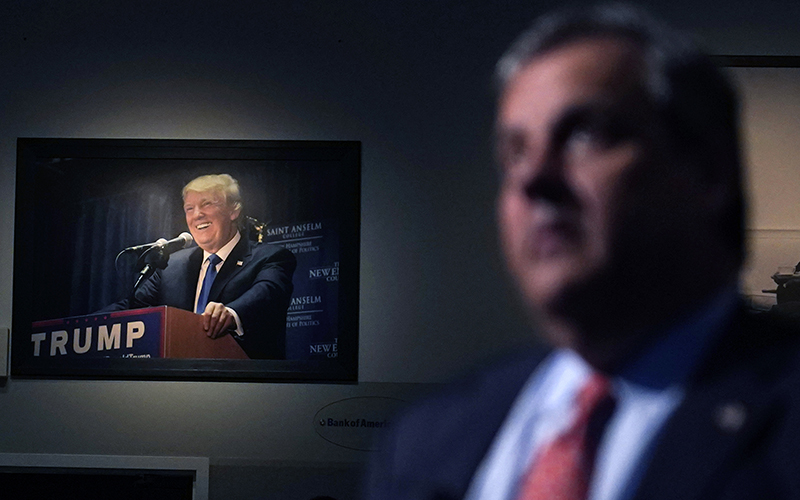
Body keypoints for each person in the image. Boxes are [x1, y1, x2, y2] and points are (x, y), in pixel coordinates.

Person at [364, 4, 800, 500]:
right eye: (515, 153)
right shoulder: (426, 438)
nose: (533, 179)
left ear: (709, 173)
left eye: (585, 134)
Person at [106, 173, 296, 359]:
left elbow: (268, 292)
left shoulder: (271, 257)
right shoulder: (172, 265)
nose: (197, 215)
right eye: (189, 208)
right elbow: (131, 307)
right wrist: (85, 325)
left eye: (207, 204)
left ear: (234, 210)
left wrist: (231, 313)